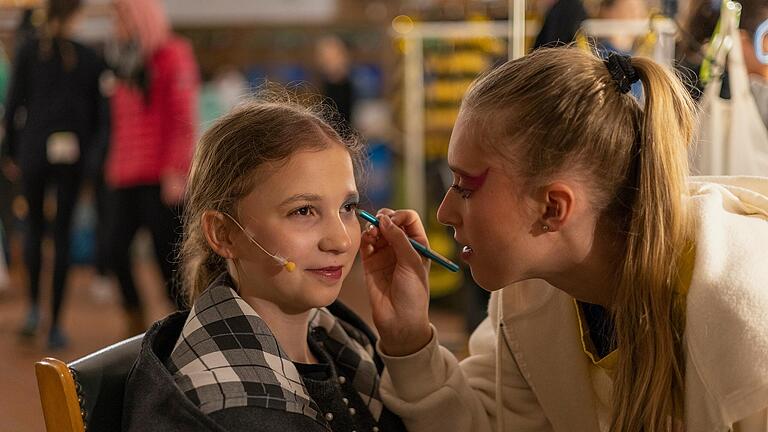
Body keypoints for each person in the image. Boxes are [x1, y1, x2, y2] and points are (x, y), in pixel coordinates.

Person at [360, 47, 768, 431]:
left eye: (466, 187)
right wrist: (409, 339)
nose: (443, 213)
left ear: (554, 208)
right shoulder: (532, 291)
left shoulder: (746, 312)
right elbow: (486, 420)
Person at [121, 97, 406, 432]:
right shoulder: (228, 413)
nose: (341, 241)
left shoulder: (341, 340)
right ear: (224, 234)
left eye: (348, 207)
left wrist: (407, 338)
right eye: (303, 211)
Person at [1, 0, 109, 349]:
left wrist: (11, 154)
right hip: (71, 160)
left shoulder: (30, 51)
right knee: (60, 234)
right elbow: (100, 119)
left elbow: (15, 106)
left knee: (34, 228)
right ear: (75, 15)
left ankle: (35, 309)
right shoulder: (89, 57)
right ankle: (55, 324)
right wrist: (93, 160)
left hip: (32, 154)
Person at [104, 0, 199, 333]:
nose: (118, 22)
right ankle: (134, 322)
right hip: (125, 173)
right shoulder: (121, 60)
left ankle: (189, 326)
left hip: (161, 177)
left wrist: (176, 169)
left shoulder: (173, 54)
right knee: (113, 249)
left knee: (168, 263)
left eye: (123, 14)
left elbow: (183, 117)